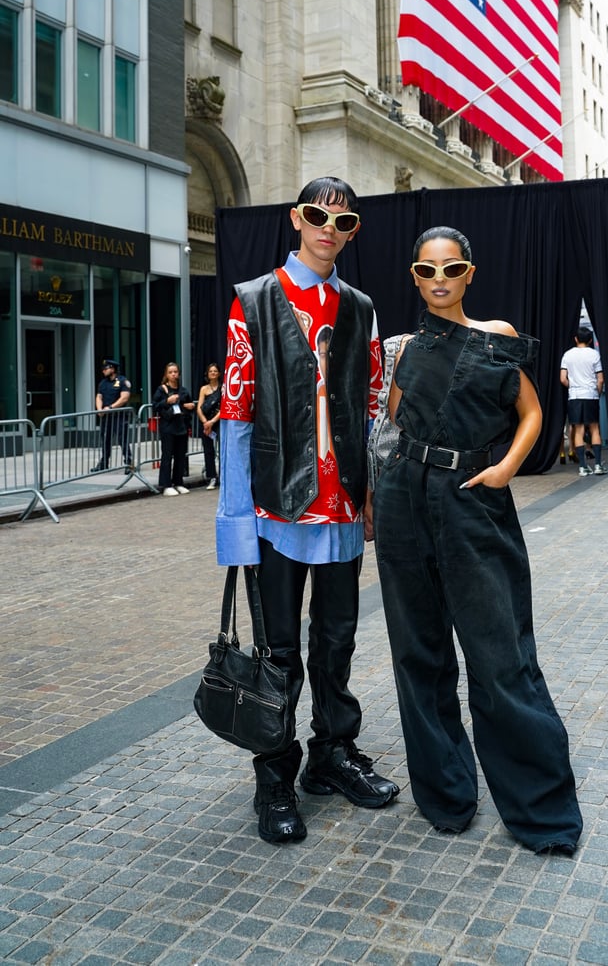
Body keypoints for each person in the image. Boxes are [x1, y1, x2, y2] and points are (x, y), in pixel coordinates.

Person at [372, 226, 583, 855]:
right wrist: (375, 500)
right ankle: (446, 795)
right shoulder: (404, 347)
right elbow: (390, 424)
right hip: (404, 495)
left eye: (452, 267)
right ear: (414, 276)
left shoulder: (499, 338)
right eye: (427, 269)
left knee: (500, 654)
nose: (439, 278)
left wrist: (505, 469)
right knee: (419, 652)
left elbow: (533, 413)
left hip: (472, 495)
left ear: (470, 273)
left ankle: (541, 811)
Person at [216, 176, 399, 845]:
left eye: (344, 221)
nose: (330, 228)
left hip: (344, 503)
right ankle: (274, 774)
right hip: (275, 507)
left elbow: (375, 408)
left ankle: (334, 752)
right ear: (297, 219)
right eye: (319, 215)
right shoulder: (254, 300)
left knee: (338, 639)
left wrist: (373, 494)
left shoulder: (359, 306)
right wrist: (234, 521)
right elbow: (234, 413)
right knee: (279, 650)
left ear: (353, 231)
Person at [560, 328, 606, 476]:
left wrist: (573, 386)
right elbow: (600, 379)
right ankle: (598, 465)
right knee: (594, 429)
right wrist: (596, 392)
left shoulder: (567, 355)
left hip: (574, 396)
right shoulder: (594, 355)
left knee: (578, 430)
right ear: (590, 340)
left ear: (576, 339)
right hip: (590, 395)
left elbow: (562, 378)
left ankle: (582, 467)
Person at [152, 362, 195, 496]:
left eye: (175, 372)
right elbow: (155, 406)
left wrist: (190, 407)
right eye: (170, 372)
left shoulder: (183, 390)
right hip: (168, 427)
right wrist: (167, 401)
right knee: (167, 455)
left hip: (181, 427)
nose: (173, 374)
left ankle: (178, 482)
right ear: (166, 374)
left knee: (180, 456)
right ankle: (166, 485)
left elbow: (188, 404)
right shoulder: (162, 390)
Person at [93, 357, 133, 472]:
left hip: (119, 416)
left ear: (112, 369)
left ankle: (129, 463)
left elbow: (124, 398)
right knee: (105, 440)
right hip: (106, 417)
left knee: (123, 440)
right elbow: (99, 397)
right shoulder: (103, 383)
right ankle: (104, 463)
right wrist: (100, 409)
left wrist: (110, 408)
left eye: (105, 368)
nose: (103, 371)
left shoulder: (122, 381)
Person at [196, 362, 222, 489]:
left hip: (219, 422)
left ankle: (223, 476)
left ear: (219, 373)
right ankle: (212, 476)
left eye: (215, 371)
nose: (213, 373)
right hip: (206, 423)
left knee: (222, 450)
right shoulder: (204, 389)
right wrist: (205, 422)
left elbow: (225, 408)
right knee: (208, 451)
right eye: (211, 371)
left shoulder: (223, 388)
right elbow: (199, 408)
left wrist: (212, 422)